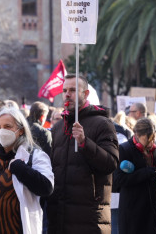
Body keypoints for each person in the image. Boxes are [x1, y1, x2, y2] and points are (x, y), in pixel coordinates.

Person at [47, 74, 119, 234]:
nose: (67, 94)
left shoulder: (103, 124)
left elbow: (110, 163)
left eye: (73, 90)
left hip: (89, 218)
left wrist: (84, 143)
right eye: (64, 90)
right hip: (59, 218)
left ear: (85, 94)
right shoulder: (58, 128)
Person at [114, 118, 156, 234]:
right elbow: (119, 180)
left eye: (153, 138)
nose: (151, 143)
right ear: (137, 135)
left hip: (152, 207)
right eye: (147, 139)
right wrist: (145, 173)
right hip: (132, 207)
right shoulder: (124, 149)